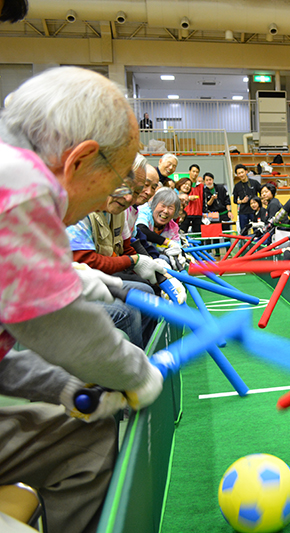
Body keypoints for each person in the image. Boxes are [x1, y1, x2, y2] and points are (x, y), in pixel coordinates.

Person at [0, 66, 164, 533]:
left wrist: (66, 388)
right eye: (113, 180)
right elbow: (61, 324)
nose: (109, 199)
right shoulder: (21, 185)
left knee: (85, 443)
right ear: (81, 159)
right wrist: (137, 374)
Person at [66, 154, 161, 349]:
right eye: (123, 185)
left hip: (89, 279)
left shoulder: (118, 210)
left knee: (145, 293)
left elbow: (128, 245)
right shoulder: (79, 205)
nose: (129, 197)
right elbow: (87, 261)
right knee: (126, 311)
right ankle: (135, 372)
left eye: (135, 191)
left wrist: (157, 265)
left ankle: (145, 356)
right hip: (67, 288)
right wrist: (134, 261)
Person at [136, 188, 183, 268]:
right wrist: (167, 242)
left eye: (170, 208)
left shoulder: (172, 226)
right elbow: (141, 229)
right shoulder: (145, 212)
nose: (166, 211)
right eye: (163, 206)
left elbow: (177, 247)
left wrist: (182, 255)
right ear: (154, 205)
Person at [232, 163, 262, 234]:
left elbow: (261, 194)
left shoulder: (254, 183)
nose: (241, 175)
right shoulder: (237, 186)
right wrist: (242, 201)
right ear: (237, 175)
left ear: (246, 172)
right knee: (243, 232)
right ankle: (244, 245)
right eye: (239, 173)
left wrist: (259, 203)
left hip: (254, 211)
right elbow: (235, 200)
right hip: (243, 212)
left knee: (257, 231)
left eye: (242, 172)